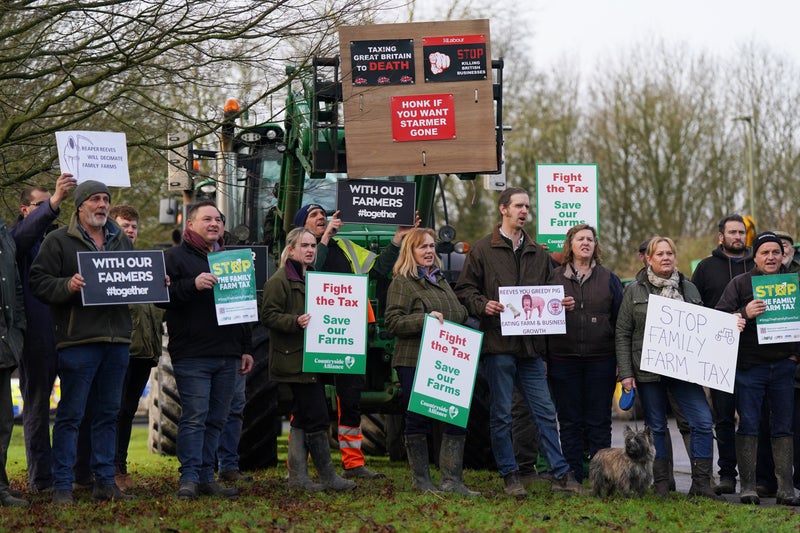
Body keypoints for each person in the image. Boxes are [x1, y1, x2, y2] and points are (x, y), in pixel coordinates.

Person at [454, 187, 582, 497]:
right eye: (519, 206)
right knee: (501, 414)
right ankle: (510, 476)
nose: (525, 211)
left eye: (527, 206)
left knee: (544, 411)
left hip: (531, 349)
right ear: (503, 209)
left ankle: (561, 474)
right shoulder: (483, 250)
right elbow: (464, 290)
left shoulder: (537, 253)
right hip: (499, 347)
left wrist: (561, 303)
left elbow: (551, 290)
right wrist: (481, 304)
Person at [29, 180, 135, 504]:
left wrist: (156, 281)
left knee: (108, 413)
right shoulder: (58, 240)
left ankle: (104, 481)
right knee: (71, 415)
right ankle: (62, 485)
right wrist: (67, 286)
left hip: (117, 340)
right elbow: (38, 281)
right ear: (79, 206)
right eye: (94, 199)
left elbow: (135, 279)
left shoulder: (121, 243)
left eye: (105, 199)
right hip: (78, 342)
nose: (102, 205)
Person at [295, 203, 417, 479]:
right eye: (314, 216)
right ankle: (300, 464)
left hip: (347, 335)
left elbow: (379, 268)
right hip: (312, 336)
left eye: (322, 215)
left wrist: (398, 237)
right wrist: (323, 240)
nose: (321, 218)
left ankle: (353, 463)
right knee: (306, 400)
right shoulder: (298, 251)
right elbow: (310, 272)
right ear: (301, 225)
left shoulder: (348, 248)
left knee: (350, 400)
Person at [616, 236, 723, 500]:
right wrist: (626, 373)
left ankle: (701, 484)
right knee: (657, 426)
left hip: (685, 371)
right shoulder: (634, 291)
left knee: (701, 420)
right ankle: (662, 483)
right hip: (648, 371)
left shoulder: (689, 288)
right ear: (648, 259)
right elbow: (622, 333)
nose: (665, 258)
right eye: (659, 254)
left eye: (669, 253)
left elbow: (704, 326)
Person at [161, 201, 254, 500]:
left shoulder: (233, 260)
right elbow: (161, 298)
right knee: (194, 416)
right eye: (207, 219)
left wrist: (246, 348)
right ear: (190, 224)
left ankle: (206, 477)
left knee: (217, 418)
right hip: (193, 354)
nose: (214, 223)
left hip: (228, 354)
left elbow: (243, 308)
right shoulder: (173, 259)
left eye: (218, 219)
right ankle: (188, 478)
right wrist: (192, 284)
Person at [384, 228, 478, 495]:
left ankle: (452, 481)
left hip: (446, 360)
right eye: (422, 247)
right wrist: (424, 320)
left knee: (455, 417)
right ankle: (421, 481)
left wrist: (457, 313)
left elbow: (457, 311)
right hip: (414, 360)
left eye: (431, 246)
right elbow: (392, 322)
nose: (429, 251)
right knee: (418, 418)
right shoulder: (402, 282)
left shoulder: (440, 279)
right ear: (410, 251)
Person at [261, 227, 355, 492]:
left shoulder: (315, 278)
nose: (310, 250)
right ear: (291, 250)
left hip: (313, 360)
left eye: (313, 246)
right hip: (293, 361)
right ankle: (328, 477)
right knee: (317, 416)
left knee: (302, 417)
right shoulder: (279, 281)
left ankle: (298, 478)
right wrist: (294, 322)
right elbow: (268, 315)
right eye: (304, 246)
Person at [716, 231, 800, 506]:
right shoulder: (739, 284)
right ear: (756, 255)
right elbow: (719, 321)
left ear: (783, 254)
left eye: (776, 251)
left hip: (784, 368)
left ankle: (786, 489)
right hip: (749, 368)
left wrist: (795, 355)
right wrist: (743, 313)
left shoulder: (793, 283)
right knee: (749, 423)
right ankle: (749, 487)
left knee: (783, 426)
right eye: (765, 252)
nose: (771, 257)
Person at [9, 172, 76, 493]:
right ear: (25, 209)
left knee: (77, 407)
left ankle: (77, 473)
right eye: (41, 204)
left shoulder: (58, 238)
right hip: (36, 337)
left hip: (70, 333)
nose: (51, 209)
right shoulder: (15, 239)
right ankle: (42, 479)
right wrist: (54, 202)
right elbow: (22, 237)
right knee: (36, 407)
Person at [546, 224, 623, 483]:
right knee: (569, 421)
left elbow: (620, 321)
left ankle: (601, 478)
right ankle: (573, 476)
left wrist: (619, 363)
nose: (586, 243)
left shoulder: (609, 278)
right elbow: (541, 320)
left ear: (595, 246)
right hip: (562, 359)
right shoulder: (554, 278)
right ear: (571, 245)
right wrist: (556, 307)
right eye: (580, 239)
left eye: (590, 239)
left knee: (599, 421)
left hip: (601, 360)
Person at [691, 214, 753, 494]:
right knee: (724, 418)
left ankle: (759, 476)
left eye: (741, 232)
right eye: (732, 232)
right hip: (718, 357)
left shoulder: (759, 265)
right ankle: (727, 474)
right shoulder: (705, 268)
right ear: (721, 237)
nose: (738, 236)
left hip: (754, 356)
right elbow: (694, 309)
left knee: (754, 418)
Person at [107, 205, 164, 492]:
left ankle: (121, 466)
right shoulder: (105, 262)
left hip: (143, 352)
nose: (130, 231)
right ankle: (108, 470)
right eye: (124, 225)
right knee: (112, 411)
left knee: (128, 411)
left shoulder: (148, 264)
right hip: (119, 350)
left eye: (133, 226)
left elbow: (156, 310)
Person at [0, 216, 29, 507]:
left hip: (4, 344)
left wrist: (17, 331)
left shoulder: (4, 234)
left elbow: (17, 290)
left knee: (3, 422)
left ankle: (0, 486)